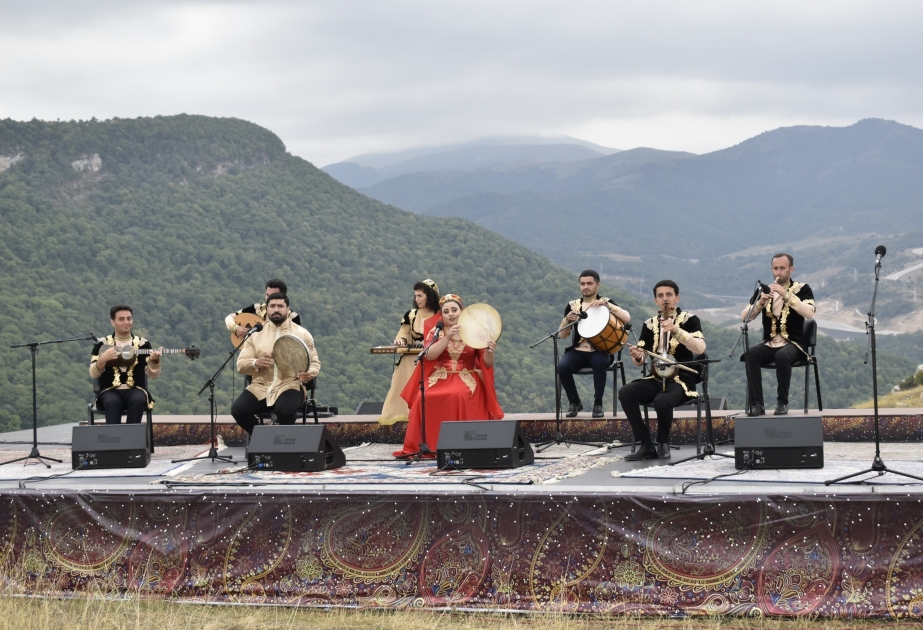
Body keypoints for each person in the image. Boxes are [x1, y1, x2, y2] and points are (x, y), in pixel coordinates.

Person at [393, 294, 504, 458]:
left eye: (454, 310)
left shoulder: (475, 332)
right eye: (446, 311)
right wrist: (448, 337)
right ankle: (431, 445)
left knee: (459, 395)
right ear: (441, 315)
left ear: (462, 311)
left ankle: (463, 445)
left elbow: (486, 363)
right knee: (423, 396)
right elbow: (429, 355)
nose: (451, 314)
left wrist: (489, 351)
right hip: (440, 376)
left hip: (466, 376)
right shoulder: (436, 331)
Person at [619, 280, 705, 460]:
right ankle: (647, 445)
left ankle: (663, 442)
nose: (665, 299)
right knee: (626, 392)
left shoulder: (690, 320)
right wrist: (636, 355)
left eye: (669, 295)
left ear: (677, 298)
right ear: (655, 300)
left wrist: (677, 331)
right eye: (661, 296)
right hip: (655, 378)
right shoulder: (649, 324)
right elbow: (641, 360)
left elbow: (700, 348)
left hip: (682, 380)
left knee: (662, 401)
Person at [231, 292, 321, 435]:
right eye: (272, 306)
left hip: (289, 385)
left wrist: (310, 373)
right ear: (267, 309)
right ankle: (264, 441)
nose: (276, 309)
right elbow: (241, 365)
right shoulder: (255, 334)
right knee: (238, 410)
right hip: (260, 386)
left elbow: (314, 362)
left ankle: (284, 450)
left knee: (284, 411)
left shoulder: (302, 334)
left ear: (287, 309)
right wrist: (256, 362)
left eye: (280, 306)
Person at [740, 252, 816, 416]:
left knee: (782, 356)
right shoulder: (763, 290)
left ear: (791, 269)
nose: (778, 273)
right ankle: (757, 404)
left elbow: (809, 313)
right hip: (770, 342)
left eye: (782, 268)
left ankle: (782, 403)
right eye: (775, 269)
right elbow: (744, 317)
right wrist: (760, 302)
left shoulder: (803, 289)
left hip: (794, 344)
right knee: (751, 354)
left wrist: (785, 294)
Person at [557, 270, 631, 418]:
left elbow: (627, 318)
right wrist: (567, 320)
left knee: (599, 362)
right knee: (563, 367)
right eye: (582, 284)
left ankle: (598, 403)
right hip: (578, 350)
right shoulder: (573, 305)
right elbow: (562, 335)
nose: (586, 287)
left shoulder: (606, 302)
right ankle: (575, 402)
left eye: (589, 283)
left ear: (598, 285)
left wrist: (607, 305)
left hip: (601, 350)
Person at [378, 279, 440, 425]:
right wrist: (401, 341)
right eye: (416, 296)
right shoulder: (411, 315)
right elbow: (404, 334)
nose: (416, 299)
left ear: (429, 296)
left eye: (420, 296)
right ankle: (404, 417)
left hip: (433, 358)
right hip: (411, 358)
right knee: (401, 376)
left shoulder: (439, 314)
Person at [89, 305, 163, 424]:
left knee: (138, 399)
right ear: (113, 322)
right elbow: (93, 373)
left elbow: (153, 375)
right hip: (109, 390)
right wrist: (103, 359)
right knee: (112, 402)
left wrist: (154, 361)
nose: (126, 322)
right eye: (121, 319)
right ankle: (114, 439)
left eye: (129, 318)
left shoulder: (143, 344)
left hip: (135, 389)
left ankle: (132, 439)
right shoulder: (102, 344)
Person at [225, 279, 301, 341]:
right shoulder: (258, 309)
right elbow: (230, 317)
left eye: (273, 296)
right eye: (267, 295)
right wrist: (235, 328)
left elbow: (296, 342)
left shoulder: (293, 317)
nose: (269, 298)